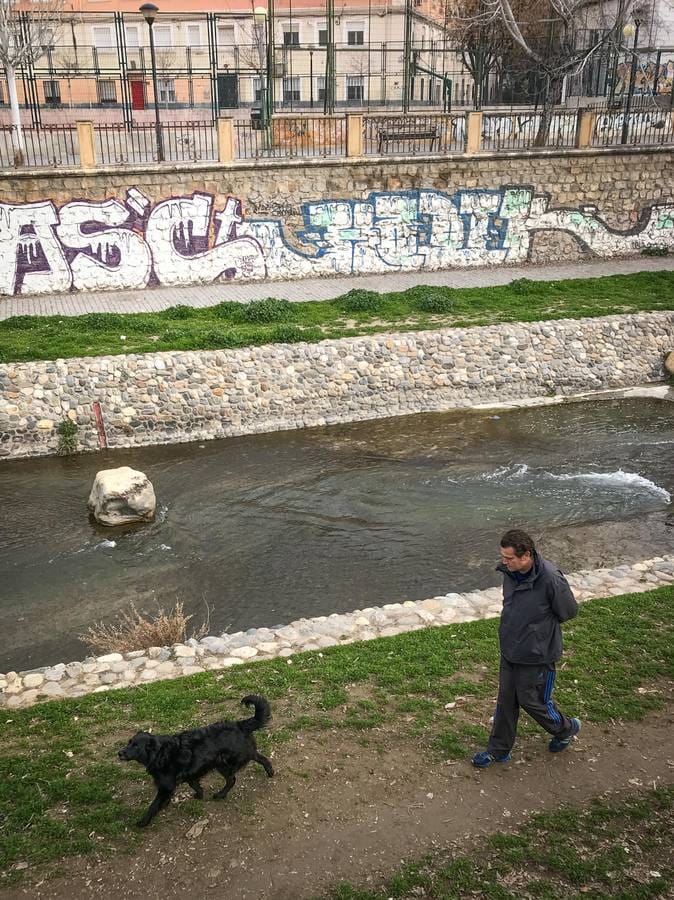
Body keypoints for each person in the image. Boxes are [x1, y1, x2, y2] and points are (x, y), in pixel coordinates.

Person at [471, 529, 581, 768]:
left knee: (533, 701)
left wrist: (537, 630)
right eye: (503, 557)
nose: (504, 562)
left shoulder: (551, 578)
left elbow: (569, 611)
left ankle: (566, 729)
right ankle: (498, 750)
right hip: (510, 648)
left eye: (509, 558)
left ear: (526, 555)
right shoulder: (510, 572)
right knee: (506, 701)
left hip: (537, 654)